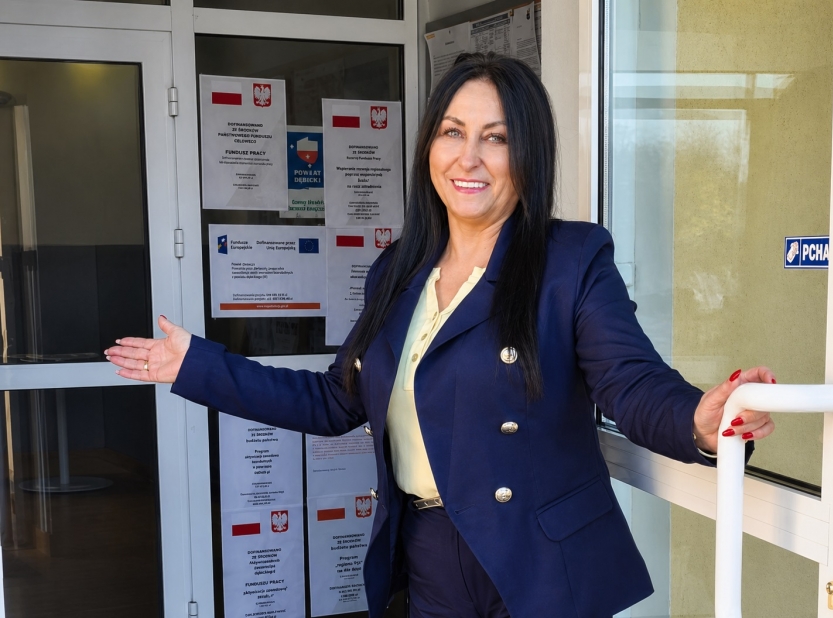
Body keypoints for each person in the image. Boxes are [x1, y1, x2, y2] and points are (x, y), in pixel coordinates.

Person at [106, 52, 775, 618]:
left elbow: (630, 381)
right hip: (429, 553)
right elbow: (335, 401)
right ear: (430, 144)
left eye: (496, 137)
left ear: (528, 153)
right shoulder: (397, 271)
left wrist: (699, 420)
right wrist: (195, 365)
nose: (469, 157)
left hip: (539, 561)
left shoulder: (570, 260)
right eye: (453, 132)